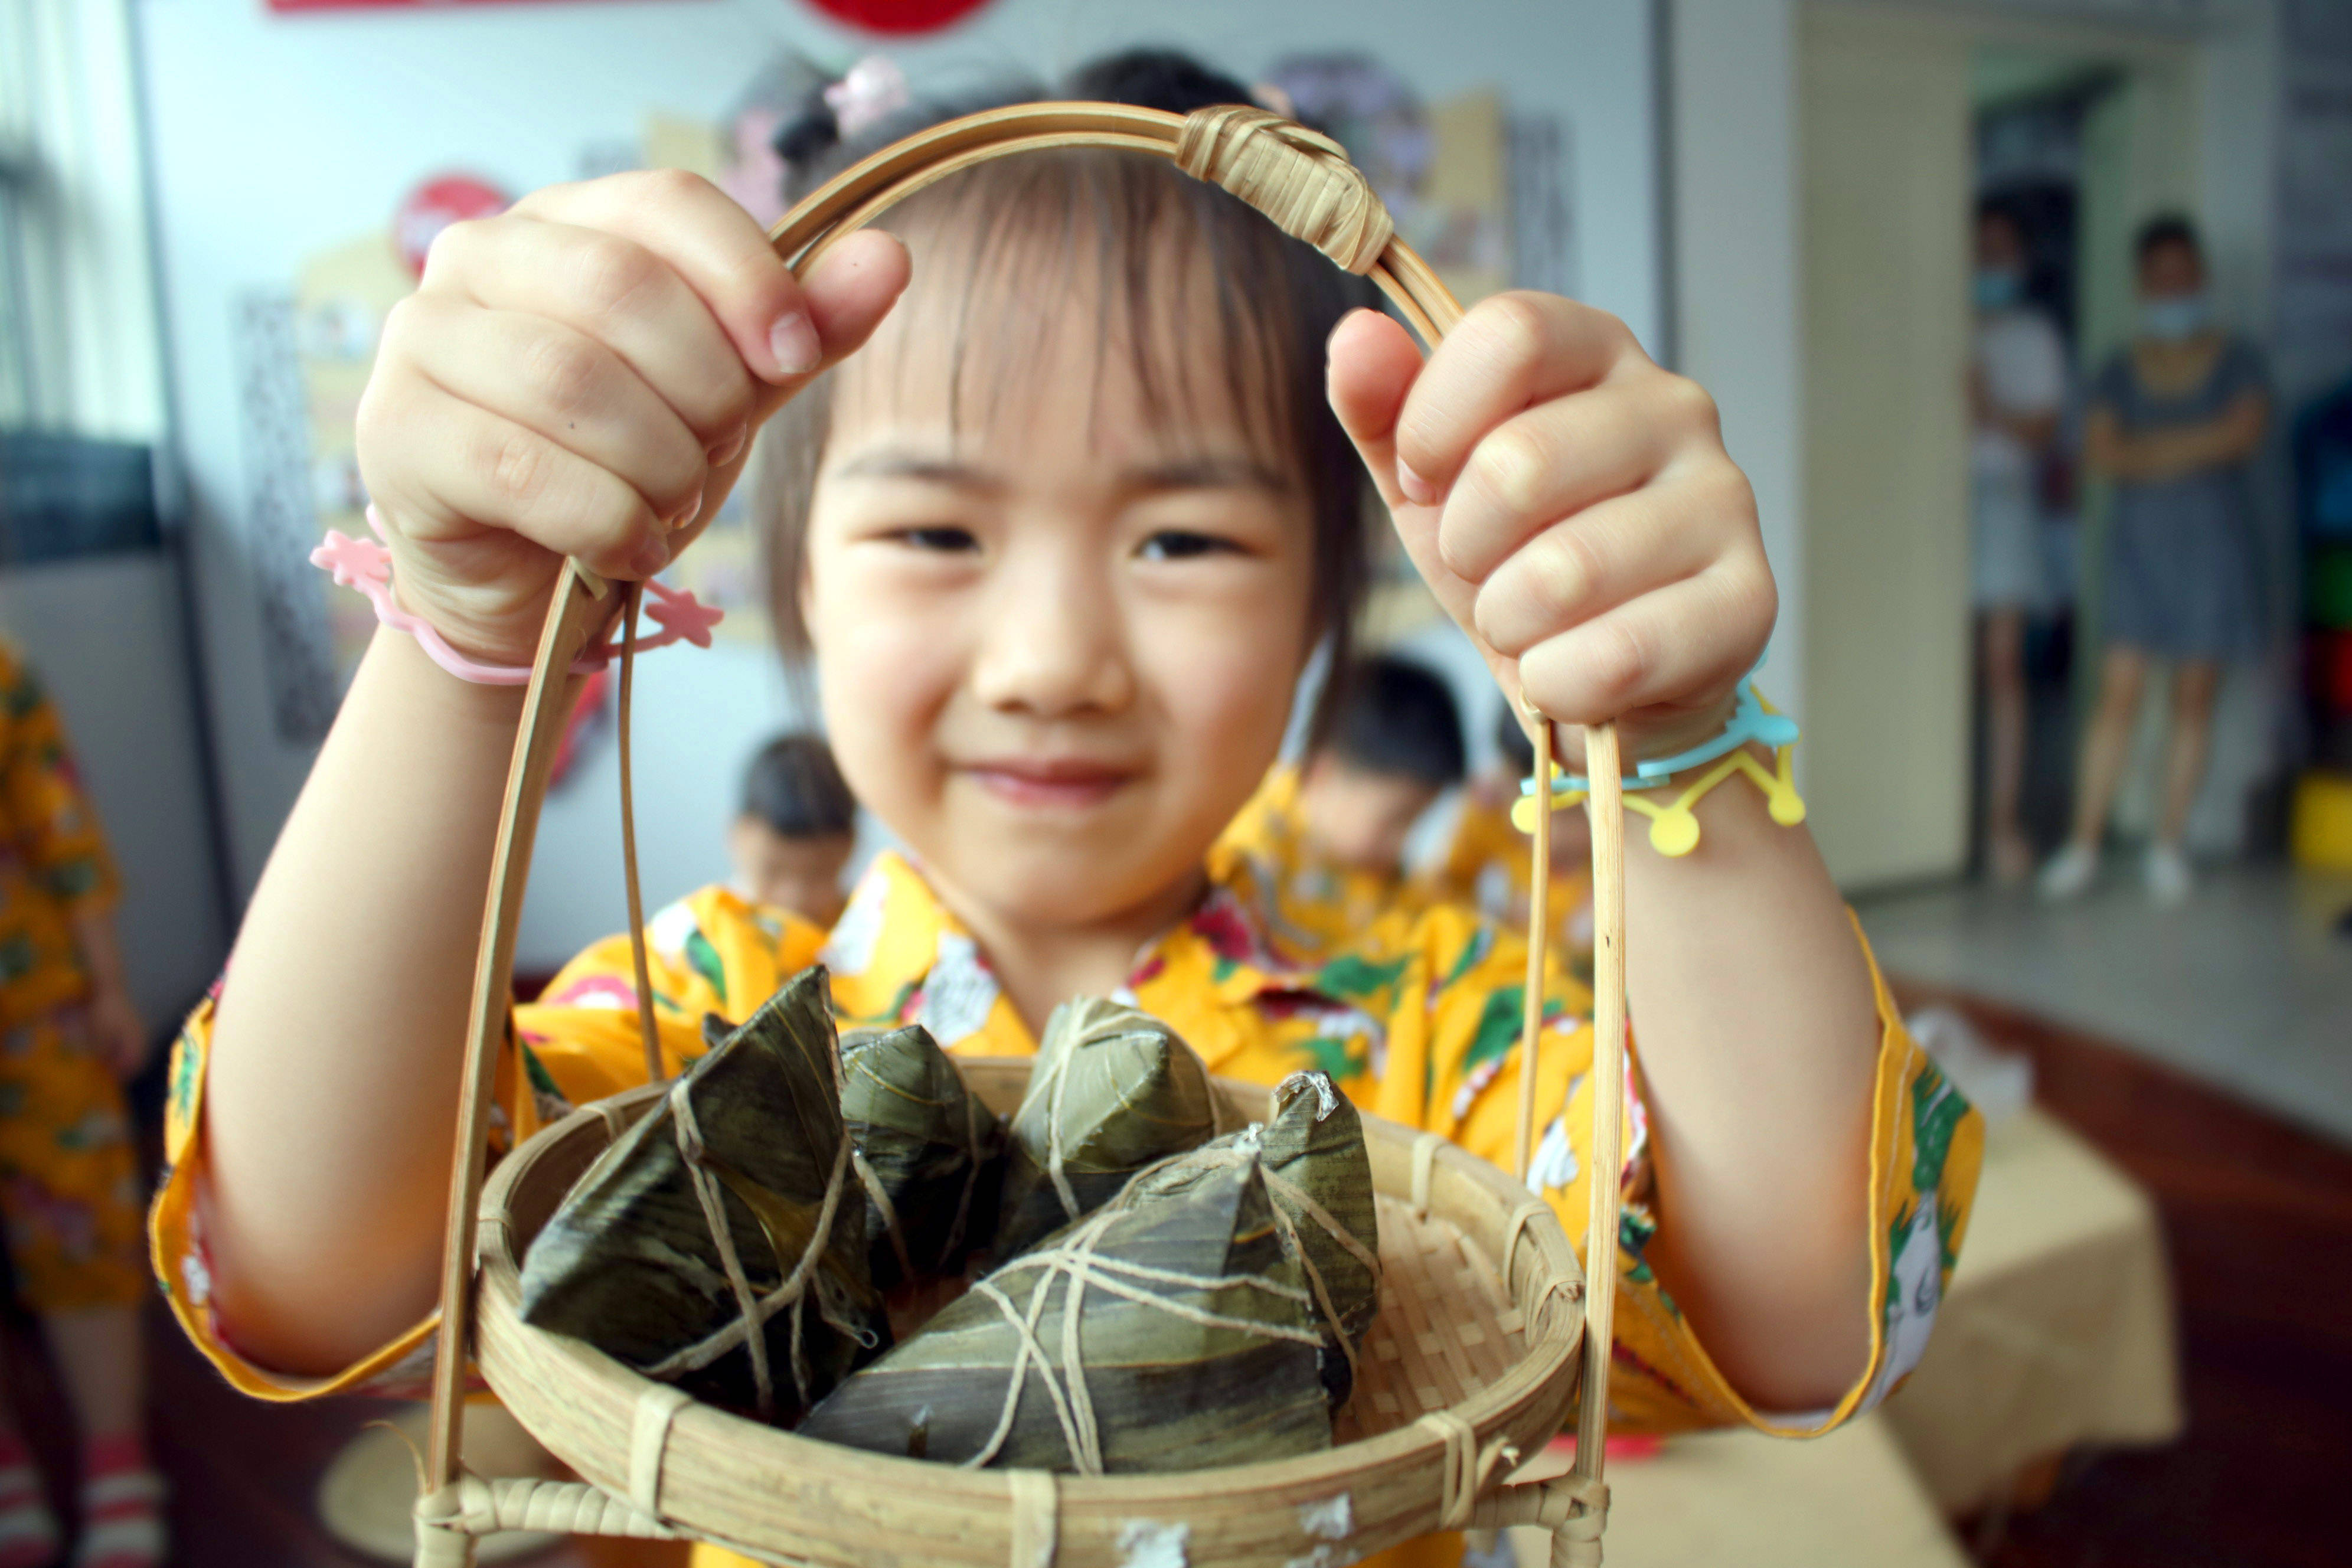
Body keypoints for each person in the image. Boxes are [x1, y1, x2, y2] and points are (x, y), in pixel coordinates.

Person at [152, 50, 1983, 1568]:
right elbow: (306, 1275)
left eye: (1180, 537)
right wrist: (472, 636)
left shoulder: (1420, 1041)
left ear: (1328, 601)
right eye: (935, 531)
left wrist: (1664, 732)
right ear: (792, 581)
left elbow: (1822, 1313)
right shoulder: (714, 1026)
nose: (1049, 657)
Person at [2040, 214, 2270, 906]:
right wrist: (2199, 443)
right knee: (2119, 696)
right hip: (2136, 552)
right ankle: (2083, 844)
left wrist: (2151, 453)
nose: (2173, 286)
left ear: (2199, 275)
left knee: (2193, 697)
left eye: (2183, 273)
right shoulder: (2116, 366)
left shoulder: (2239, 358)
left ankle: (2167, 844)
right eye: (2159, 277)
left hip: (2214, 551)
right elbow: (2103, 452)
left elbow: (2244, 436)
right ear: (2142, 285)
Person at [0, 644, 164, 1568]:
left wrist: (106, 983)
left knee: (79, 1222)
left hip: (32, 1001)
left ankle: (115, 1455)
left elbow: (60, 827)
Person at [1213, 652, 1464, 945]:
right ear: (1323, 774)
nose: (1402, 845)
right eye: (1396, 821)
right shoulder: (1240, 855)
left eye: (1416, 823)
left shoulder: (1382, 876)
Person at [1968, 200, 2067, 885]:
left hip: (2001, 506)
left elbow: (2042, 434)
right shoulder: (1941, 322)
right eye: (1981, 249)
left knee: (2002, 666)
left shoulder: (2035, 337)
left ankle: (2001, 821)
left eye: (2002, 249)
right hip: (1932, 511)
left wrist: (1987, 407)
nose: (1989, 262)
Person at [1423, 704, 1594, 966]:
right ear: (1502, 779)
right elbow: (1440, 888)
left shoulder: (1629, 850)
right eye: (1527, 805)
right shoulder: (1485, 811)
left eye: (1574, 813)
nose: (1549, 835)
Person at [729, 732, 858, 927]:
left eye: (819, 873)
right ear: (738, 835)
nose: (794, 900)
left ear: (850, 846)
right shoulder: (685, 941)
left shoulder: (869, 935)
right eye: (773, 871)